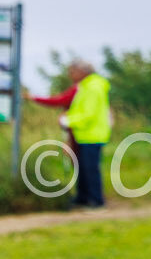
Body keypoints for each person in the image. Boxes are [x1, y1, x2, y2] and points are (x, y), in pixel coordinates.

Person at [32, 60, 113, 208]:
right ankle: (82, 198)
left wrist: (68, 120)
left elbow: (88, 114)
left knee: (90, 168)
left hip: (92, 134)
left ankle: (96, 200)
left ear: (82, 71)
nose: (70, 75)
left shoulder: (93, 88)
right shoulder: (86, 86)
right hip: (84, 134)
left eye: (72, 71)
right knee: (81, 167)